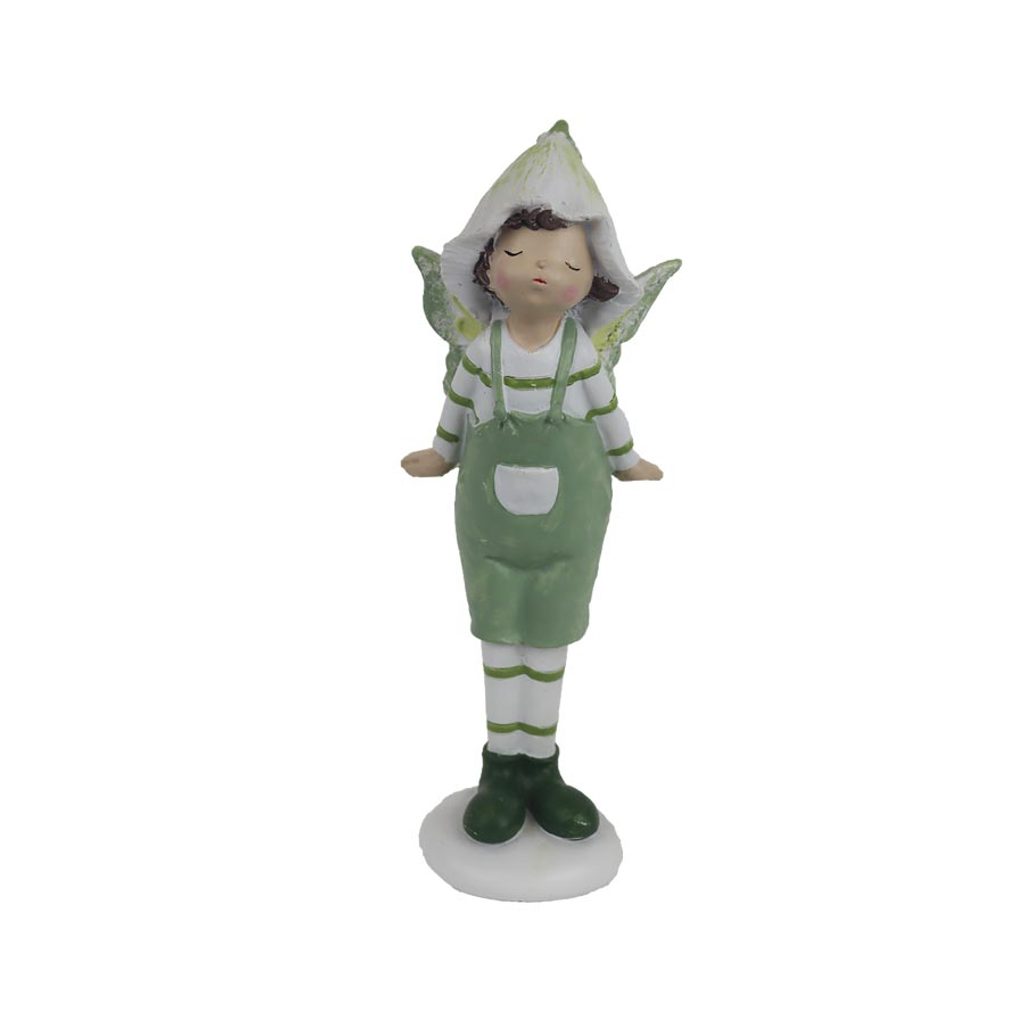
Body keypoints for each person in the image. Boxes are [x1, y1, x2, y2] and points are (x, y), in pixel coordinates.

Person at [402, 122, 671, 846]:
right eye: (519, 254)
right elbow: (456, 409)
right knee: (499, 638)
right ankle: (500, 767)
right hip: (489, 527)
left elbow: (607, 414)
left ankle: (540, 764)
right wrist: (440, 454)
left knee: (548, 642)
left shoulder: (581, 354)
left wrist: (628, 462)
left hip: (570, 526)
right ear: (489, 268)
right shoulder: (481, 350)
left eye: (565, 260)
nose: (542, 270)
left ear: (592, 280)